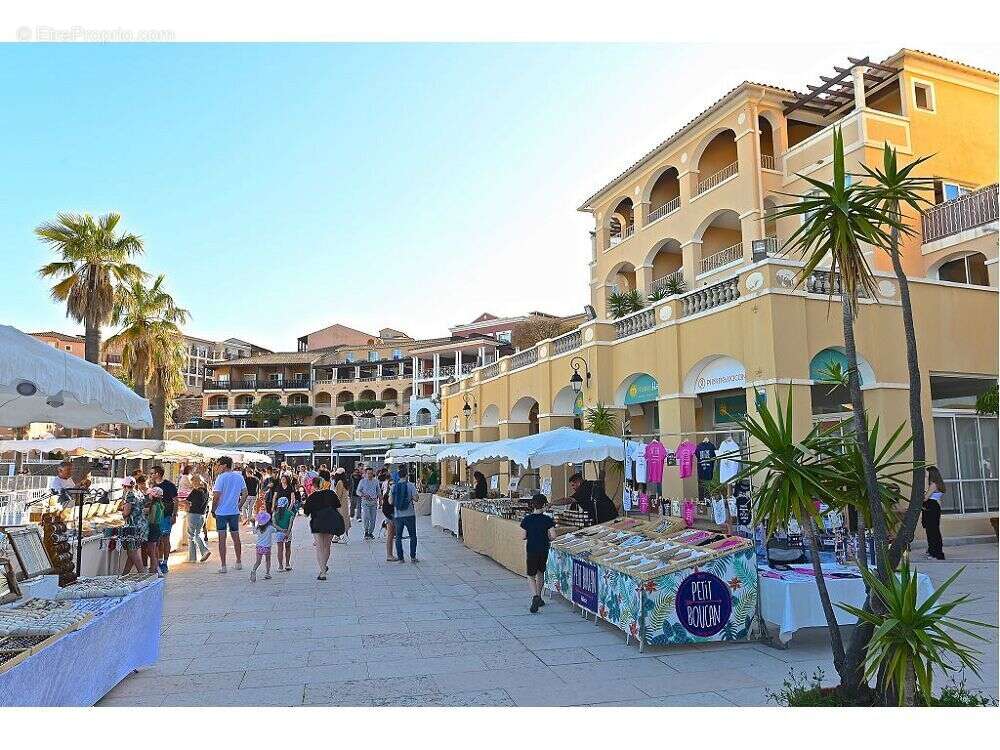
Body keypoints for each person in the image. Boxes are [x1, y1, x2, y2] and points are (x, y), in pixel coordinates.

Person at [303, 470, 344, 580]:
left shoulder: (311, 497)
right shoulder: (331, 494)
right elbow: (339, 508)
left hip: (317, 523)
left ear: (314, 486)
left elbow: (306, 513)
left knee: (319, 548)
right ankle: (324, 566)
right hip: (331, 522)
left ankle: (322, 571)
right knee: (327, 546)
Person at [520, 493, 556, 613]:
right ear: (544, 505)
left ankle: (535, 596)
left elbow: (523, 536)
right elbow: (553, 536)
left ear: (532, 505)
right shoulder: (547, 519)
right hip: (543, 549)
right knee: (541, 572)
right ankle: (540, 597)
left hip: (532, 549)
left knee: (530, 575)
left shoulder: (527, 519)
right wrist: (548, 538)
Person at [212, 456, 247, 573]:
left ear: (224, 465)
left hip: (221, 512)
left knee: (222, 538)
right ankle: (238, 562)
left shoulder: (220, 478)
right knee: (236, 536)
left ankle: (223, 565)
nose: (217, 467)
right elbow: (245, 493)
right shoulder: (239, 476)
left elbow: (216, 496)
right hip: (234, 512)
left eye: (218, 464)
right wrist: (239, 506)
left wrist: (213, 509)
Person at [551, 473, 618, 526]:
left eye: (573, 485)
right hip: (611, 514)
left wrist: (552, 503)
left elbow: (568, 500)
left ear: (578, 482)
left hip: (603, 518)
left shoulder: (583, 490)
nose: (573, 488)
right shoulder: (591, 483)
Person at [150, 465, 178, 575]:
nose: (151, 475)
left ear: (157, 474)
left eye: (152, 473)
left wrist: (174, 515)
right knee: (157, 540)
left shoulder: (169, 485)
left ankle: (165, 562)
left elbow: (176, 500)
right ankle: (158, 561)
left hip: (166, 515)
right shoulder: (152, 485)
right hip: (156, 517)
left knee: (165, 538)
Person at [118, 477, 149, 576]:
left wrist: (122, 513)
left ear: (124, 486)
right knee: (132, 552)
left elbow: (126, 512)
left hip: (133, 527)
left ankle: (142, 573)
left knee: (132, 552)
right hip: (142, 525)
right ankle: (124, 574)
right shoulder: (139, 493)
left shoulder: (130, 494)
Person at [392, 465, 418, 563]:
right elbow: (416, 498)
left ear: (398, 476)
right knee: (413, 536)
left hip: (398, 515)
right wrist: (411, 497)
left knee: (398, 537)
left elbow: (390, 501)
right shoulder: (410, 485)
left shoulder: (394, 486)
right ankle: (413, 557)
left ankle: (401, 558)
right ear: (406, 475)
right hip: (410, 514)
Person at [185, 474, 212, 563]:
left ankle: (192, 558)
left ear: (196, 482)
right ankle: (205, 551)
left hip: (193, 514)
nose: (192, 484)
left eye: (192, 482)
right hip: (202, 515)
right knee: (197, 534)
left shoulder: (195, 491)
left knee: (191, 536)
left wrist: (186, 507)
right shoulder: (206, 491)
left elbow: (187, 502)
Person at [922, 466, 946, 560]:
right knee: (933, 530)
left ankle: (935, 552)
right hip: (933, 507)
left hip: (931, 507)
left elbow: (925, 498)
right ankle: (934, 550)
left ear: (931, 474)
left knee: (932, 531)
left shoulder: (933, 485)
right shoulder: (937, 484)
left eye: (927, 473)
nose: (926, 474)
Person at [144, 486, 166, 577]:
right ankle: (155, 568)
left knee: (151, 551)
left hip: (153, 528)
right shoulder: (160, 504)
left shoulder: (154, 505)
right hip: (158, 529)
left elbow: (152, 519)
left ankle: (153, 569)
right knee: (154, 550)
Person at [272, 492, 295, 572]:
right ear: (286, 504)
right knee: (288, 548)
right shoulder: (290, 513)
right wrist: (287, 532)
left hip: (279, 533)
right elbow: (290, 524)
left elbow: (274, 524)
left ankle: (280, 566)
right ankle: (287, 564)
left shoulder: (275, 514)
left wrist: (281, 530)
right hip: (287, 533)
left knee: (280, 550)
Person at [357, 467, 381, 539]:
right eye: (368, 473)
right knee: (367, 517)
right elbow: (358, 491)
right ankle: (366, 532)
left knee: (373, 519)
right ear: (365, 474)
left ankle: (370, 533)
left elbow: (378, 491)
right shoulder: (362, 481)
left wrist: (380, 500)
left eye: (371, 473)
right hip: (365, 502)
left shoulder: (376, 481)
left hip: (374, 502)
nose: (370, 475)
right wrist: (363, 495)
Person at [250, 511, 275, 582]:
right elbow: (275, 530)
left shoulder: (258, 528)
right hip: (267, 547)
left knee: (258, 561)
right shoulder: (270, 528)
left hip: (259, 547)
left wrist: (253, 524)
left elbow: (254, 532)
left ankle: (253, 570)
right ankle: (267, 573)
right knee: (268, 560)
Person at [379, 469, 396, 561]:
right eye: (390, 484)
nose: (392, 486)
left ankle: (392, 554)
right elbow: (385, 508)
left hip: (395, 516)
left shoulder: (396, 494)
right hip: (390, 516)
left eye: (393, 484)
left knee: (394, 535)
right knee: (390, 535)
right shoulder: (386, 495)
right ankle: (389, 555)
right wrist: (389, 517)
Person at [334, 468, 352, 542]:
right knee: (345, 519)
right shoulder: (345, 482)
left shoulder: (339, 483)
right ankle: (339, 536)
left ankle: (343, 537)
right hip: (345, 504)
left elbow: (338, 495)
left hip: (340, 505)